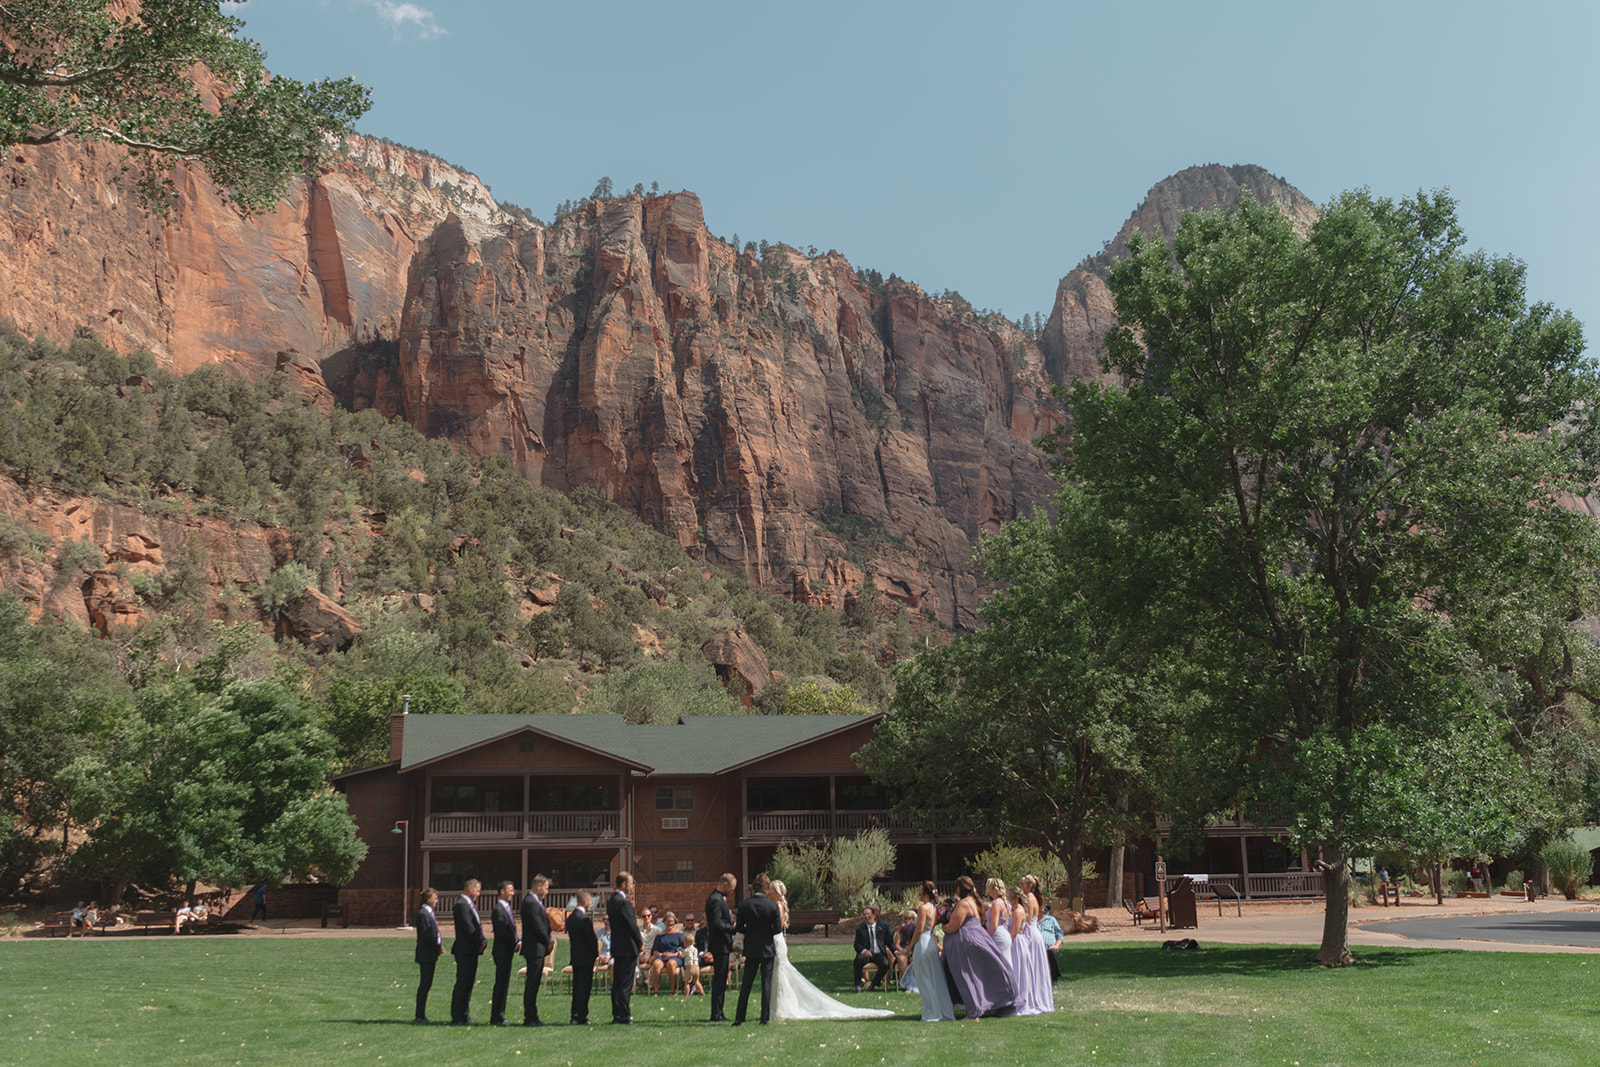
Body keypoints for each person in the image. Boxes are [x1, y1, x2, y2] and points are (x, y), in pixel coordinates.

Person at [764, 879, 894, 1022]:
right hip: (778, 941)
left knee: (780, 973)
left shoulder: (777, 906)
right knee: (779, 974)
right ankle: (780, 1007)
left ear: (777, 892)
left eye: (770, 888)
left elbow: (775, 927)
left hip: (776, 941)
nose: (767, 891)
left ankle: (784, 1008)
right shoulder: (777, 905)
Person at [942, 875, 1016, 1018]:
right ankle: (988, 1003)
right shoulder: (975, 902)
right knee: (982, 973)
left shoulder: (964, 904)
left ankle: (974, 1012)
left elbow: (953, 926)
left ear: (959, 889)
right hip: (980, 937)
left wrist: (943, 926)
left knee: (967, 976)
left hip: (967, 941)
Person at [733, 872, 783, 1024]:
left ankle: (739, 1017)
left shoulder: (744, 905)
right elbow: (778, 930)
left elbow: (740, 928)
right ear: (766, 888)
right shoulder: (772, 906)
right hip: (767, 948)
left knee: (746, 984)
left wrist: (750, 930)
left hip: (751, 948)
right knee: (766, 984)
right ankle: (764, 1018)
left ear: (753, 888)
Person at [910, 880, 955, 1021]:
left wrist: (909, 947)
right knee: (934, 977)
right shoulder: (934, 908)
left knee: (924, 978)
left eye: (920, 890)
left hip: (923, 942)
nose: (918, 892)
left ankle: (931, 1013)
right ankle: (939, 1010)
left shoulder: (923, 908)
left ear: (925, 893)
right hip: (931, 942)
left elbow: (918, 930)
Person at [606, 872, 644, 1024]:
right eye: (630, 883)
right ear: (623, 885)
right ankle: (624, 1015)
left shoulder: (611, 901)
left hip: (617, 946)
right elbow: (632, 926)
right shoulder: (624, 903)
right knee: (626, 983)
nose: (632, 886)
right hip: (628, 947)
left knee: (617, 983)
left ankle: (616, 1014)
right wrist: (639, 942)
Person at [450, 878, 486, 1025]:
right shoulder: (461, 905)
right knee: (463, 983)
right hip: (465, 950)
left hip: (472, 950)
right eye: (477, 890)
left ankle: (465, 1014)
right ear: (470, 889)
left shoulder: (470, 905)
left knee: (469, 984)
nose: (479, 893)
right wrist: (479, 941)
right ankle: (458, 1015)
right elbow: (468, 927)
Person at [704, 873, 738, 1022]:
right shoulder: (715, 900)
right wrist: (733, 927)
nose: (732, 892)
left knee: (721, 979)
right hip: (719, 945)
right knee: (719, 980)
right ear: (725, 884)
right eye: (731, 888)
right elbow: (717, 923)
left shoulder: (716, 898)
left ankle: (719, 1012)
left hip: (721, 944)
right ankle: (716, 1014)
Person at [519, 875, 552, 1026]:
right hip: (534, 948)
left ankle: (533, 1015)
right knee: (532, 983)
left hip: (538, 948)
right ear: (538, 886)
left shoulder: (536, 901)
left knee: (535, 982)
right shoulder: (530, 902)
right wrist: (547, 941)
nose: (547, 891)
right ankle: (529, 1017)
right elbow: (537, 925)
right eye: (545, 888)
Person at [566, 888, 599, 1025]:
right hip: (586, 958)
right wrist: (595, 953)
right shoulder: (584, 920)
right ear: (585, 901)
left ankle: (574, 1014)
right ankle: (582, 1015)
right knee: (584, 988)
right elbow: (591, 940)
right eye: (589, 901)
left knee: (576, 987)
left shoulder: (571, 918)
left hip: (576, 956)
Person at [487, 880, 518, 1026]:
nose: (513, 893)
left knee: (504, 983)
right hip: (502, 951)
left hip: (508, 951)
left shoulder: (506, 908)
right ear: (502, 892)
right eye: (510, 890)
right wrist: (515, 943)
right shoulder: (498, 910)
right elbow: (502, 932)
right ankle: (496, 1016)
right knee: (501, 983)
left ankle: (500, 1014)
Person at [414, 887, 444, 1023]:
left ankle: (421, 1014)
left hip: (430, 953)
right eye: (435, 897)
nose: (436, 900)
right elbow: (427, 935)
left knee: (427, 984)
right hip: (426, 954)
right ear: (428, 899)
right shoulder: (423, 914)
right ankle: (420, 1015)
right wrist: (437, 946)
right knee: (425, 984)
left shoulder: (429, 913)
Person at [852, 904, 893, 992]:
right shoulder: (861, 929)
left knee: (885, 964)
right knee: (858, 960)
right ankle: (857, 985)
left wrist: (896, 951)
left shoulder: (882, 928)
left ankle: (874, 984)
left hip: (878, 954)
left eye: (868, 914)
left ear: (874, 915)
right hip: (866, 954)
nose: (867, 916)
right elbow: (856, 945)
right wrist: (864, 950)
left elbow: (889, 942)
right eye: (865, 915)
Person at [649, 916, 685, 994]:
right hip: (662, 956)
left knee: (671, 963)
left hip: (675, 957)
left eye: (672, 921)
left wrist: (675, 954)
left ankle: (673, 990)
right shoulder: (659, 936)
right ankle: (656, 991)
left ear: (675, 922)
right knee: (656, 964)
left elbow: (684, 948)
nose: (670, 923)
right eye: (668, 921)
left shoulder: (679, 934)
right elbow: (654, 951)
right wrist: (662, 954)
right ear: (664, 922)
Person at [1037, 903, 1065, 983]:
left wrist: (1056, 945)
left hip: (1049, 947)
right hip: (1036, 948)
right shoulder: (1032, 921)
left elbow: (1060, 935)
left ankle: (1054, 978)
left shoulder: (1051, 920)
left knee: (1052, 952)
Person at [893, 909, 917, 991]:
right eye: (906, 919)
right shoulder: (901, 930)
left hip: (914, 950)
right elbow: (897, 944)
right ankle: (908, 984)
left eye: (910, 919)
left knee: (913, 958)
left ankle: (915, 984)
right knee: (901, 959)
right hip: (903, 950)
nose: (907, 921)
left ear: (914, 919)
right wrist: (902, 950)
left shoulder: (917, 930)